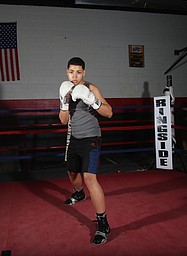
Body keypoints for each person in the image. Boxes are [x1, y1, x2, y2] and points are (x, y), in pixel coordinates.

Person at [58, 57, 113, 245]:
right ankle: (78, 192)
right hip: (75, 139)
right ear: (66, 72)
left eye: (78, 72)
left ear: (84, 73)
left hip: (91, 139)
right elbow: (63, 121)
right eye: (71, 71)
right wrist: (64, 103)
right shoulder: (65, 88)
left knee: (90, 177)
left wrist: (93, 100)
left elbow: (109, 112)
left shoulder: (91, 88)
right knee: (72, 173)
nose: (75, 76)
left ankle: (103, 224)